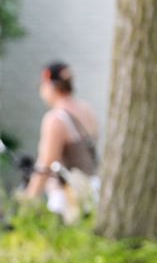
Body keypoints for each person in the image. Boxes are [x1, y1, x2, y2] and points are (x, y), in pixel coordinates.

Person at [24, 61, 100, 221]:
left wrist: (29, 200)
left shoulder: (56, 119)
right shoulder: (87, 110)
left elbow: (47, 163)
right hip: (93, 190)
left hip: (68, 198)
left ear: (50, 86)